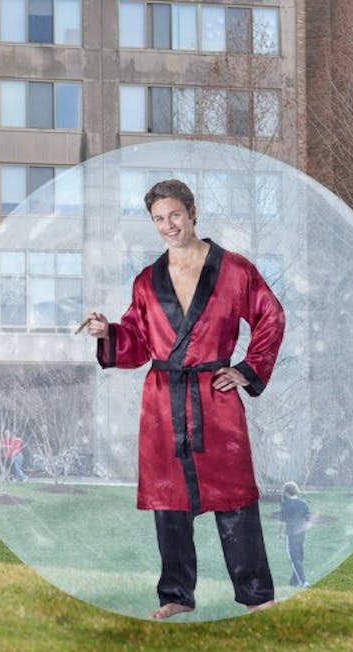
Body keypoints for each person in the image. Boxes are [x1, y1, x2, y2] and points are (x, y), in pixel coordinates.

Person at [85, 179, 285, 619]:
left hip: (215, 397)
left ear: (193, 212)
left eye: (174, 214)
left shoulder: (234, 270)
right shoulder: (146, 281)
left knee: (234, 496)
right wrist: (108, 333)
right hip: (162, 403)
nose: (168, 225)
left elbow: (270, 315)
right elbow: (137, 343)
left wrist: (247, 369)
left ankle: (256, 595)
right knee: (168, 501)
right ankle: (176, 594)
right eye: (158, 219)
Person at [279, 481, 312, 588]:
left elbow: (282, 521)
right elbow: (307, 519)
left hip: (291, 534)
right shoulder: (303, 503)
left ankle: (303, 582)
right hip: (301, 534)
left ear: (286, 492)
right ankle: (294, 582)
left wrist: (280, 534)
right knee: (299, 556)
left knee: (294, 559)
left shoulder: (286, 504)